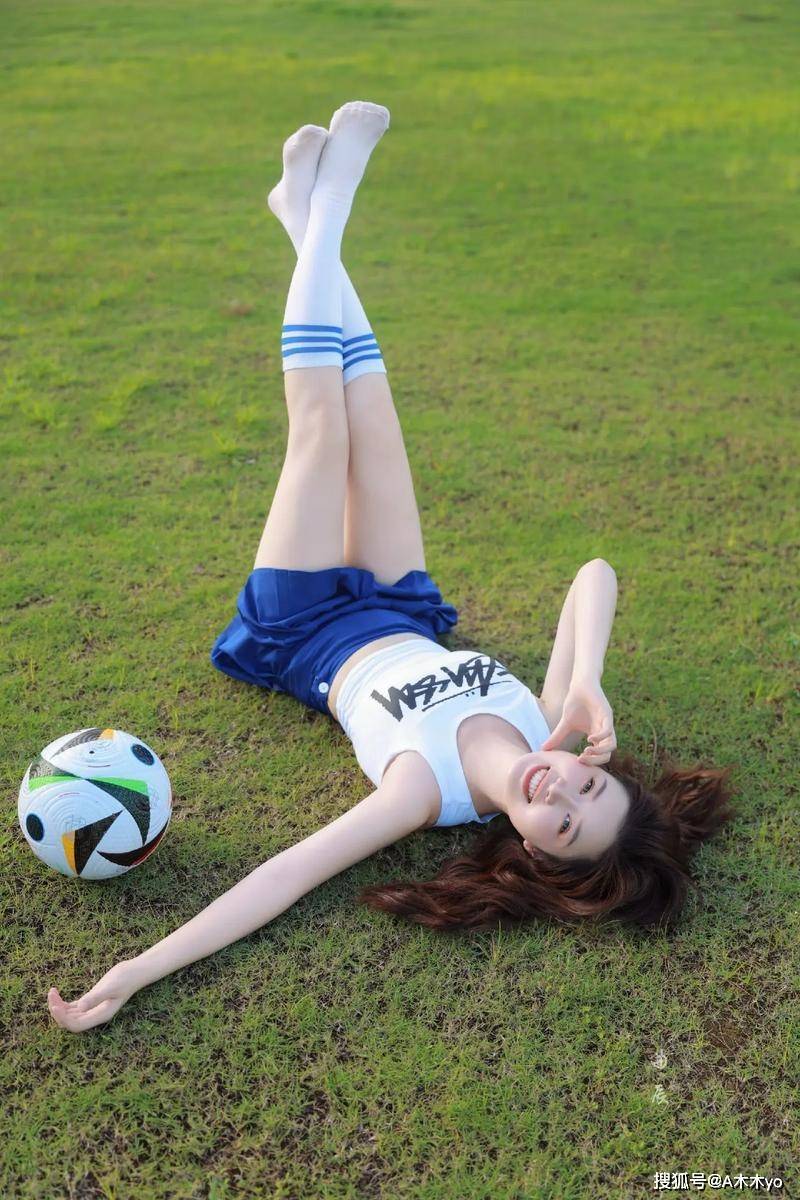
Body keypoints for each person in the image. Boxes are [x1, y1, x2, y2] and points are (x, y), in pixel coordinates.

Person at [48, 102, 734, 1033]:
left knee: (319, 433)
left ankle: (326, 211)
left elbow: (286, 875)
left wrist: (139, 969)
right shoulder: (549, 724)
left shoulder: (423, 794)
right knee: (374, 414)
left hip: (304, 632)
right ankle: (303, 218)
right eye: (589, 786)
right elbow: (595, 571)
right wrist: (589, 683)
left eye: (566, 822)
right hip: (403, 607)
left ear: (536, 853)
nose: (560, 788)